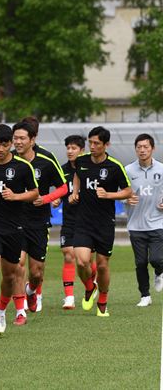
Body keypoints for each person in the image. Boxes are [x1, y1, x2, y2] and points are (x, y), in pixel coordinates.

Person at [0, 124, 38, 336]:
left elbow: (34, 193)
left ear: (11, 144)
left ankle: (3, 309)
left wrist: (16, 196)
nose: (1, 149)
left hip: (14, 227)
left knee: (10, 276)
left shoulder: (23, 167)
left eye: (5, 145)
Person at [70, 126, 132, 317]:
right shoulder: (81, 161)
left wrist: (109, 194)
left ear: (106, 144)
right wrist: (74, 192)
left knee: (103, 265)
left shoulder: (114, 166)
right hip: (83, 221)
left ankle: (103, 300)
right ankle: (90, 287)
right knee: (81, 262)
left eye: (97, 143)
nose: (92, 146)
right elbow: (78, 175)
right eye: (90, 142)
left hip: (104, 223)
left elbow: (128, 191)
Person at [12, 122, 67, 314]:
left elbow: (64, 187)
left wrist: (46, 199)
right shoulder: (8, 161)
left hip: (38, 221)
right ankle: (20, 310)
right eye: (15, 138)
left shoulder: (46, 161)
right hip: (15, 221)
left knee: (36, 273)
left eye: (22, 138)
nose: (18, 142)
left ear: (32, 139)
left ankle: (31, 291)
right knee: (18, 263)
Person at [125, 133, 163, 307]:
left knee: (156, 259)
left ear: (152, 149)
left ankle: (159, 271)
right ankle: (145, 296)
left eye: (146, 147)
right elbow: (119, 192)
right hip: (135, 224)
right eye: (139, 147)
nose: (142, 150)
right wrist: (125, 199)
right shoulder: (128, 170)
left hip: (157, 223)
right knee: (140, 262)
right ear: (135, 149)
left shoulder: (161, 169)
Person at [51, 135, 86, 309]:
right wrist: (57, 199)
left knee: (84, 261)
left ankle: (90, 285)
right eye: (68, 148)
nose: (70, 151)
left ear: (82, 150)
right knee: (68, 254)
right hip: (69, 220)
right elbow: (59, 190)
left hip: (88, 221)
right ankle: (69, 297)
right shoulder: (62, 170)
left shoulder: (88, 169)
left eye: (74, 148)